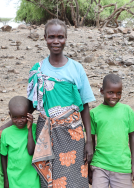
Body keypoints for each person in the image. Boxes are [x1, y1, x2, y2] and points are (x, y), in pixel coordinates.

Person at [27, 19, 95, 187]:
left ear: (66, 38)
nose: (56, 41)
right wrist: (2, 128)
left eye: (60, 37)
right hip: (47, 134)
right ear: (45, 38)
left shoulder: (76, 68)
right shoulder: (38, 69)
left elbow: (84, 106)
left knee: (76, 181)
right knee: (50, 181)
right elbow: (31, 105)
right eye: (51, 37)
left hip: (74, 134)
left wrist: (88, 141)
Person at [89, 74, 134, 188]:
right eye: (110, 92)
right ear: (102, 91)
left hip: (122, 166)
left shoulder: (127, 110)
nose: (115, 96)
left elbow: (132, 137)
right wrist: (89, 167)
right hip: (100, 165)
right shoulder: (94, 113)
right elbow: (91, 142)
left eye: (119, 93)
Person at [0, 96, 40, 188]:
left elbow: (31, 151)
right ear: (10, 115)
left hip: (31, 178)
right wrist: (6, 179)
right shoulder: (6, 133)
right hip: (14, 178)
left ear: (29, 114)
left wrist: (29, 129)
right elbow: (3, 156)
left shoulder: (34, 129)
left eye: (23, 117)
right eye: (15, 118)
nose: (19, 121)